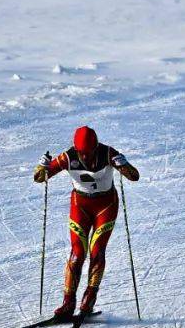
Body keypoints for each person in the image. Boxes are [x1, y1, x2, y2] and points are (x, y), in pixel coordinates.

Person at [33, 126, 140, 317]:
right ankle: (68, 303)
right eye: (83, 153)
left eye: (90, 152)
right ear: (76, 148)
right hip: (80, 206)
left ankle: (89, 300)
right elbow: (41, 178)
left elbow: (134, 177)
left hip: (105, 207)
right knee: (77, 254)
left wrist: (124, 164)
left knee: (97, 252)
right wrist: (42, 166)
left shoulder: (108, 153)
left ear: (96, 146)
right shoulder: (68, 157)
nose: (87, 157)